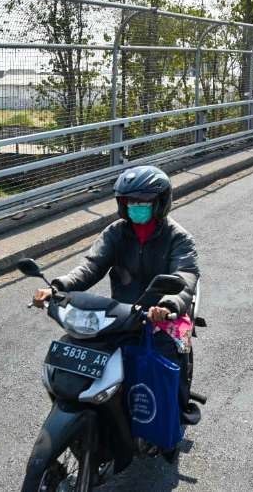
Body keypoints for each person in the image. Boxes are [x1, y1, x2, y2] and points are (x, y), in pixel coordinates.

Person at [31, 165, 199, 424]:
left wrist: (169, 304)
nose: (135, 206)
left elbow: (185, 275)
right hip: (122, 314)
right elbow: (91, 266)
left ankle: (176, 409)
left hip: (160, 315)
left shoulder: (178, 238)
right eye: (130, 201)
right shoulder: (116, 232)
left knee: (163, 365)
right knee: (78, 349)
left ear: (160, 203)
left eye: (143, 201)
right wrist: (58, 287)